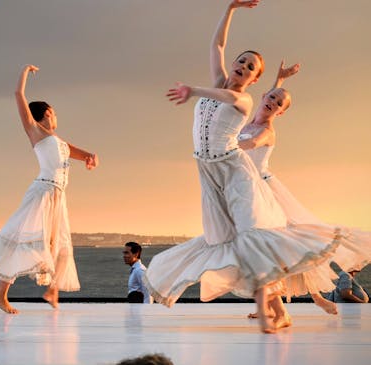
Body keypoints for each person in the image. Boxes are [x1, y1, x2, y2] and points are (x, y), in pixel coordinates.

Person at [144, 0, 341, 334]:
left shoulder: (244, 99)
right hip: (207, 174)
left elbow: (230, 101)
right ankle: (278, 310)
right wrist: (231, 8)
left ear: (254, 79)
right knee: (225, 240)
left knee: (251, 238)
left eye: (251, 67)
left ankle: (268, 313)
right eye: (242, 61)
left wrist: (192, 90)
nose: (244, 66)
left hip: (235, 171)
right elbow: (216, 44)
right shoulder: (221, 81)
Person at [239, 62, 371, 316]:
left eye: (279, 104)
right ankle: (278, 302)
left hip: (267, 193)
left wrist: (221, 147)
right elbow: (271, 97)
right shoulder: (251, 117)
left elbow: (251, 144)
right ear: (263, 95)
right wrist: (279, 80)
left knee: (289, 246)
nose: (273, 102)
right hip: (248, 192)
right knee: (268, 251)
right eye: (272, 97)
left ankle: (311, 298)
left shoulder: (267, 131)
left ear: (280, 113)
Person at [0, 65, 99, 314]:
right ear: (47, 112)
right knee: (21, 240)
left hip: (58, 196)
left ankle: (51, 290)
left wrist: (90, 156)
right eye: (54, 113)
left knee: (56, 242)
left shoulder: (57, 140)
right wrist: (25, 72)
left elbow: (72, 150)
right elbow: (18, 95)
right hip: (43, 193)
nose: (56, 117)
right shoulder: (35, 131)